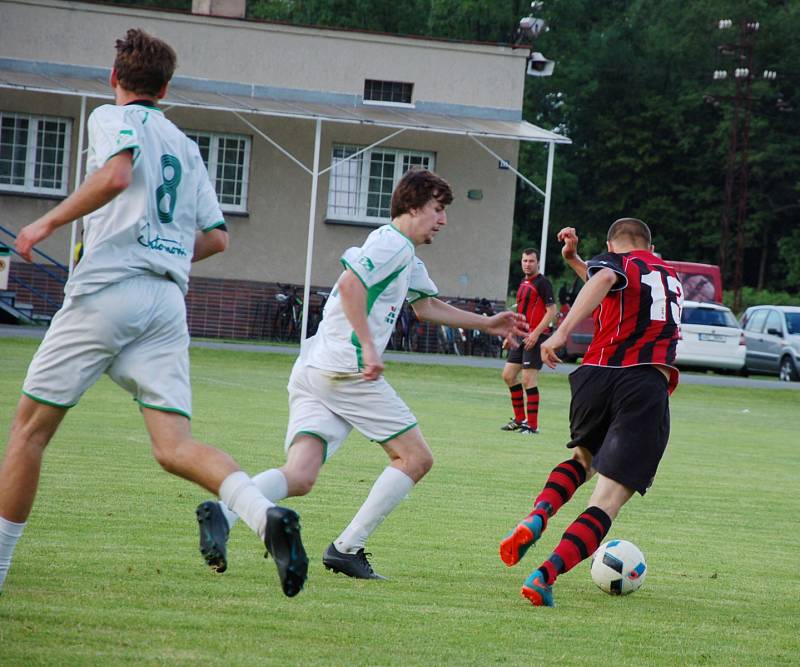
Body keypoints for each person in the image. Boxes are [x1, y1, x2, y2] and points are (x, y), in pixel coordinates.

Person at [0, 28, 307, 599]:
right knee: (174, 447)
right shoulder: (187, 147)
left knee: (28, 433)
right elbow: (217, 237)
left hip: (107, 290)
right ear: (167, 88)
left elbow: (116, 174)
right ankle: (265, 518)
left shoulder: (107, 116)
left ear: (113, 79)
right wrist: (160, 252)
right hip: (166, 303)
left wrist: (45, 222)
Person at [195, 168, 528, 580]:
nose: (443, 220)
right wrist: (369, 347)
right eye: (438, 210)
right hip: (345, 370)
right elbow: (352, 287)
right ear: (412, 206)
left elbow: (426, 307)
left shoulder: (402, 251)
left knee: (300, 475)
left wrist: (488, 322)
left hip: (315, 366)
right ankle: (346, 548)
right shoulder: (391, 245)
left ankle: (225, 515)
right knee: (416, 458)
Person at [499, 219, 682, 606]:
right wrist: (561, 332)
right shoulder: (667, 274)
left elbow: (607, 283)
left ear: (611, 245)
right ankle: (543, 576)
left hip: (594, 377)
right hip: (643, 382)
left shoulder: (619, 266)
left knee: (583, 460)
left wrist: (576, 261)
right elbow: (604, 282)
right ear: (649, 244)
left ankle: (538, 514)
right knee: (607, 501)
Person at [500, 248, 557, 434]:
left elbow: (551, 311)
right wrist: (512, 334)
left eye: (531, 261)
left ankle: (532, 426)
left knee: (528, 379)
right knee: (508, 375)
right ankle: (519, 419)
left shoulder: (543, 283)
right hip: (522, 335)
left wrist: (535, 334)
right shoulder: (523, 282)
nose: (527, 264)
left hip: (537, 336)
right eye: (524, 261)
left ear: (538, 263)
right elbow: (521, 312)